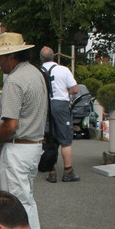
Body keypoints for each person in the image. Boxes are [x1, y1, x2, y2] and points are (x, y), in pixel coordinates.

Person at [0, 33, 47, 229]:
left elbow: (10, 124)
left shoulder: (14, 81)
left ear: (11, 57)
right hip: (34, 146)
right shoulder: (35, 73)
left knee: (16, 201)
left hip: (18, 147)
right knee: (25, 197)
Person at [39, 46, 80, 183]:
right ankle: (68, 171)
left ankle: (51, 172)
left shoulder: (38, 72)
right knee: (65, 140)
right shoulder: (63, 70)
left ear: (41, 58)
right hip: (61, 105)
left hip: (44, 105)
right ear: (54, 56)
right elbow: (75, 89)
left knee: (49, 137)